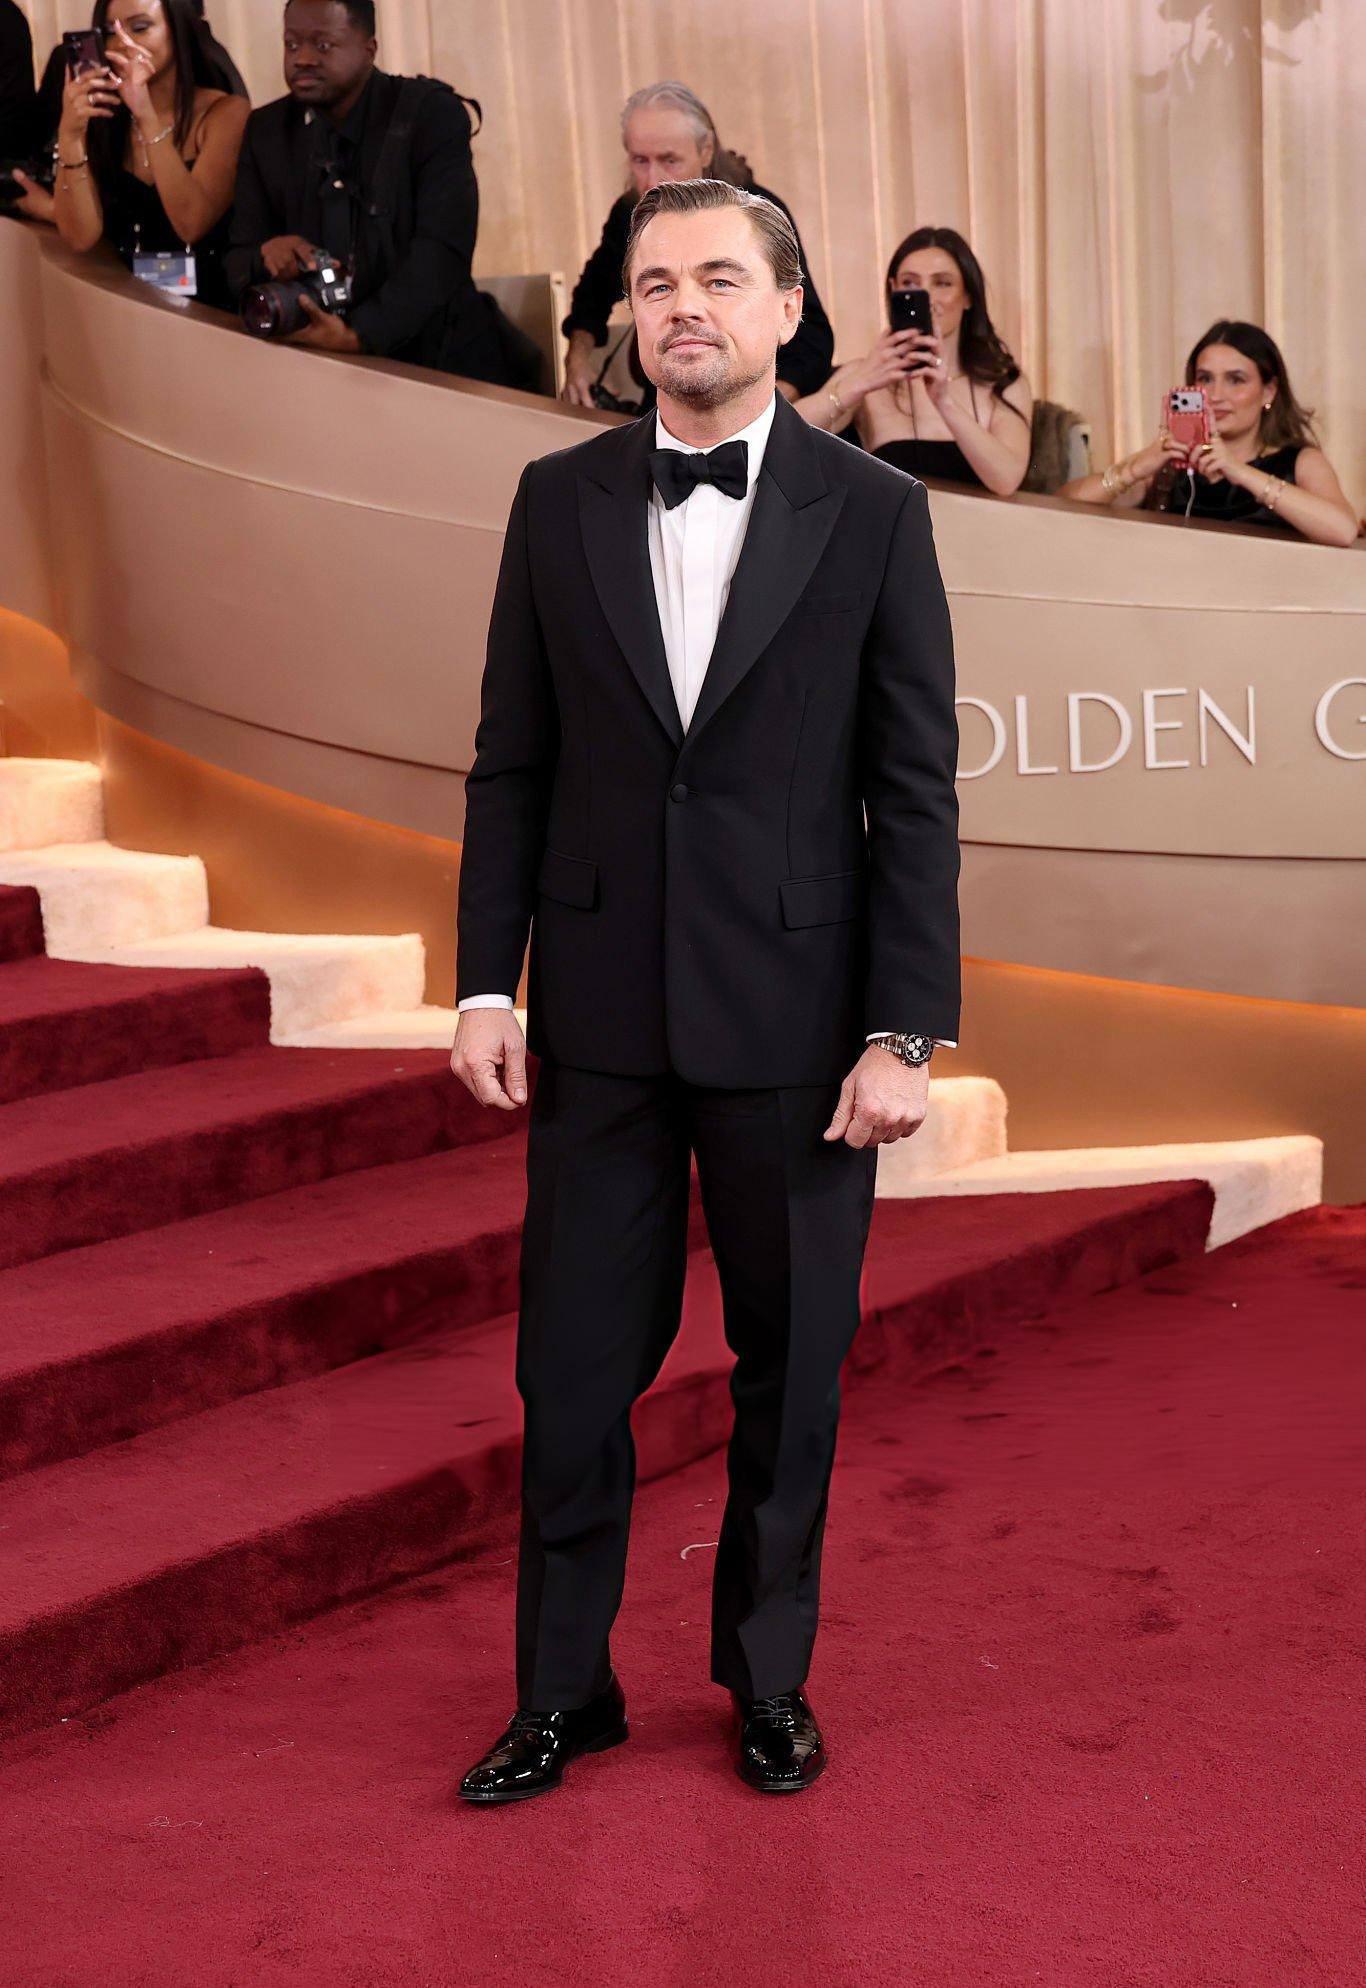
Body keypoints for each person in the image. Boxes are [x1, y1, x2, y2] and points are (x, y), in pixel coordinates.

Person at [451, 177, 960, 1802]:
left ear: (788, 309)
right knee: (569, 1373)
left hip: (800, 1025)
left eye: (721, 278)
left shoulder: (873, 513)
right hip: (599, 1018)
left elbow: (912, 792)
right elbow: (511, 763)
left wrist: (902, 1028)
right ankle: (562, 1690)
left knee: (789, 1370)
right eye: (657, 279)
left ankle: (766, 1675)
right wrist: (481, 985)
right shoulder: (555, 500)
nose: (684, 304)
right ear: (629, 311)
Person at [225, 0, 511, 383]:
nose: (303, 59)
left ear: (369, 50)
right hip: (309, 371)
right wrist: (268, 255)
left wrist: (357, 334)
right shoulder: (267, 130)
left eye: (323, 45)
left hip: (434, 364)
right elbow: (236, 259)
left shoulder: (429, 115)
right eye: (291, 44)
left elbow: (442, 253)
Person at [560, 80, 834, 413]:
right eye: (640, 161)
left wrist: (758, 410)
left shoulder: (755, 214)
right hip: (667, 396)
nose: (653, 180)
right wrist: (577, 361)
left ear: (706, 150)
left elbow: (813, 338)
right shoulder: (630, 211)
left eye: (669, 160)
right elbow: (591, 297)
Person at [1060, 319, 1358, 547]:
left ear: (1269, 391)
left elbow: (1344, 530)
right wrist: (1134, 468)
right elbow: (1063, 507)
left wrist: (1238, 471)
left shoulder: (1299, 461)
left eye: (1235, 380)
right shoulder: (1172, 465)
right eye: (1205, 379)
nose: (1215, 396)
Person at [797, 225, 1033, 497]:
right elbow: (782, 434)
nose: (927, 297)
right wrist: (858, 383)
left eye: (942, 283)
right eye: (910, 283)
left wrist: (944, 401)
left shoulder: (1001, 382)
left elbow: (1006, 480)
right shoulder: (866, 376)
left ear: (968, 296)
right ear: (893, 289)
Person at [50, 0, 248, 311]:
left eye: (140, 28)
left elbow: (191, 223)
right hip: (127, 306)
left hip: (210, 312)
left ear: (178, 30)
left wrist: (145, 113)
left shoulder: (225, 113)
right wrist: (70, 135)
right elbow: (80, 237)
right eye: (109, 32)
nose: (122, 43)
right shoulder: (105, 116)